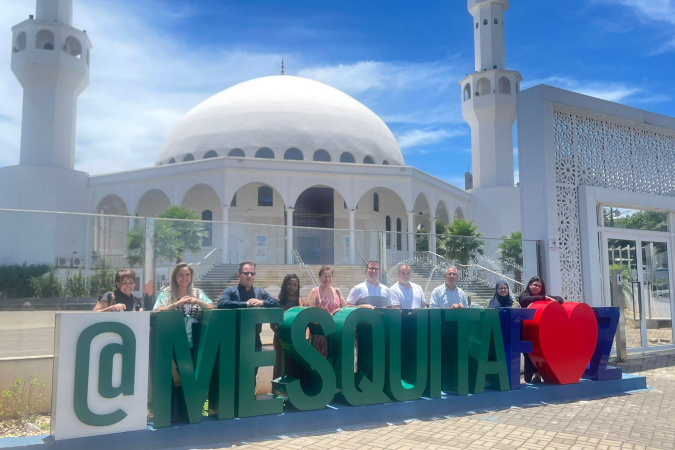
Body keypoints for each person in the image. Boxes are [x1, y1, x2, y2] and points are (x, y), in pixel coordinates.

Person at [218, 261, 280, 351]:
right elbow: (221, 303)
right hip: (233, 338)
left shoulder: (260, 292)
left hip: (255, 339)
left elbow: (276, 303)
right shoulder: (230, 291)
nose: (249, 276)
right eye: (246, 273)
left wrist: (262, 302)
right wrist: (246, 304)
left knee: (254, 364)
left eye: (252, 273)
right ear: (239, 275)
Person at [153, 262, 214, 348]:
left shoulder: (198, 292)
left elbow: (211, 307)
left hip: (197, 334)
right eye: (180, 275)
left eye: (187, 274)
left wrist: (198, 302)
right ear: (175, 277)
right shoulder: (166, 293)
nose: (184, 277)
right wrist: (176, 304)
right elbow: (157, 310)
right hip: (174, 332)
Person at [518, 276, 563, 383]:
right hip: (525, 330)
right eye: (535, 285)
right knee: (528, 353)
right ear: (529, 285)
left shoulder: (544, 296)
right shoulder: (524, 295)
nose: (537, 287)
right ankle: (529, 378)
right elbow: (524, 300)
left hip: (539, 330)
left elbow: (560, 299)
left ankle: (539, 375)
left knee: (540, 353)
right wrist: (544, 298)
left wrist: (553, 300)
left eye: (539, 286)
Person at [305, 266, 347, 358]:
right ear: (319, 277)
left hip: (335, 332)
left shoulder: (337, 291)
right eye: (324, 276)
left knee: (334, 359)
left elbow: (345, 309)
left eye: (329, 276)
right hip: (320, 333)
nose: (327, 279)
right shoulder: (315, 291)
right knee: (319, 359)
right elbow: (310, 312)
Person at [272, 274, 306, 379]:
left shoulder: (302, 302)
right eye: (289, 284)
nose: (292, 287)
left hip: (297, 340)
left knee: (295, 366)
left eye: (295, 285)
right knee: (280, 365)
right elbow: (272, 325)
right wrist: (283, 336)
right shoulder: (277, 302)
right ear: (285, 285)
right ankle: (278, 392)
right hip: (280, 339)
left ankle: (294, 393)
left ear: (298, 287)